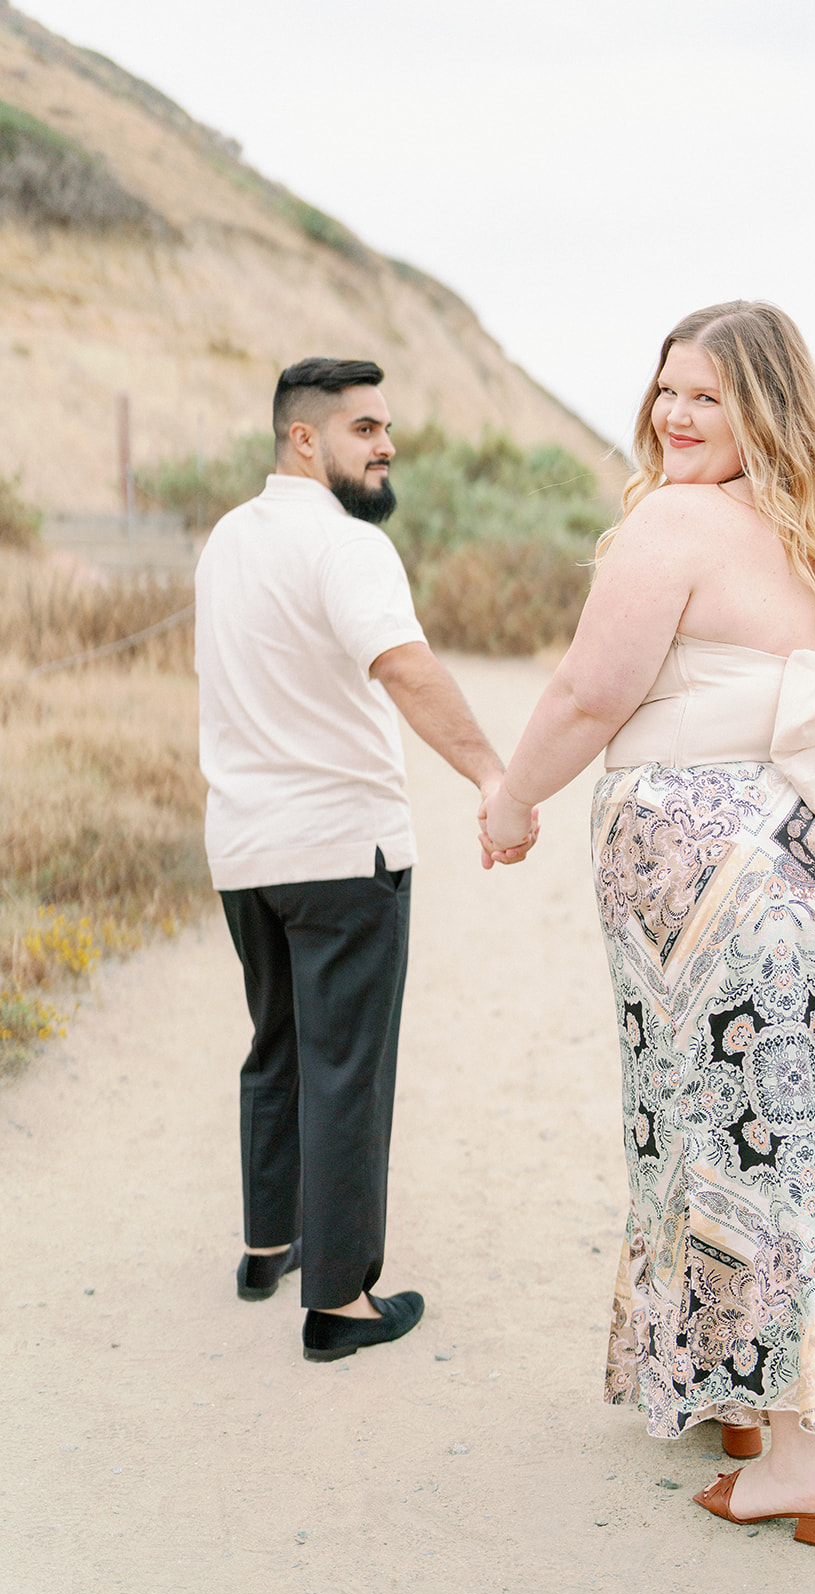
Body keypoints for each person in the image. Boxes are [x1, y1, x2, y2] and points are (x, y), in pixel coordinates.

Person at [481, 303, 815, 1545]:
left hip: (718, 890)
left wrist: (510, 793)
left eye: (707, 396)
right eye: (664, 390)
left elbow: (591, 691)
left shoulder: (676, 520)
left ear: (765, 409)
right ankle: (730, 1397)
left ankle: (797, 1454)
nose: (673, 416)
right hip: (807, 870)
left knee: (727, 1145)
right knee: (754, 1136)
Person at [195, 357, 534, 1364]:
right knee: (346, 1069)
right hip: (343, 848)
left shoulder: (225, 541)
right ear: (305, 438)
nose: (386, 446)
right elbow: (405, 668)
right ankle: (339, 1304)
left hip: (246, 851)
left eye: (387, 429)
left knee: (279, 1045)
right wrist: (489, 774)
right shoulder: (344, 547)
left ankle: (270, 1245)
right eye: (364, 429)